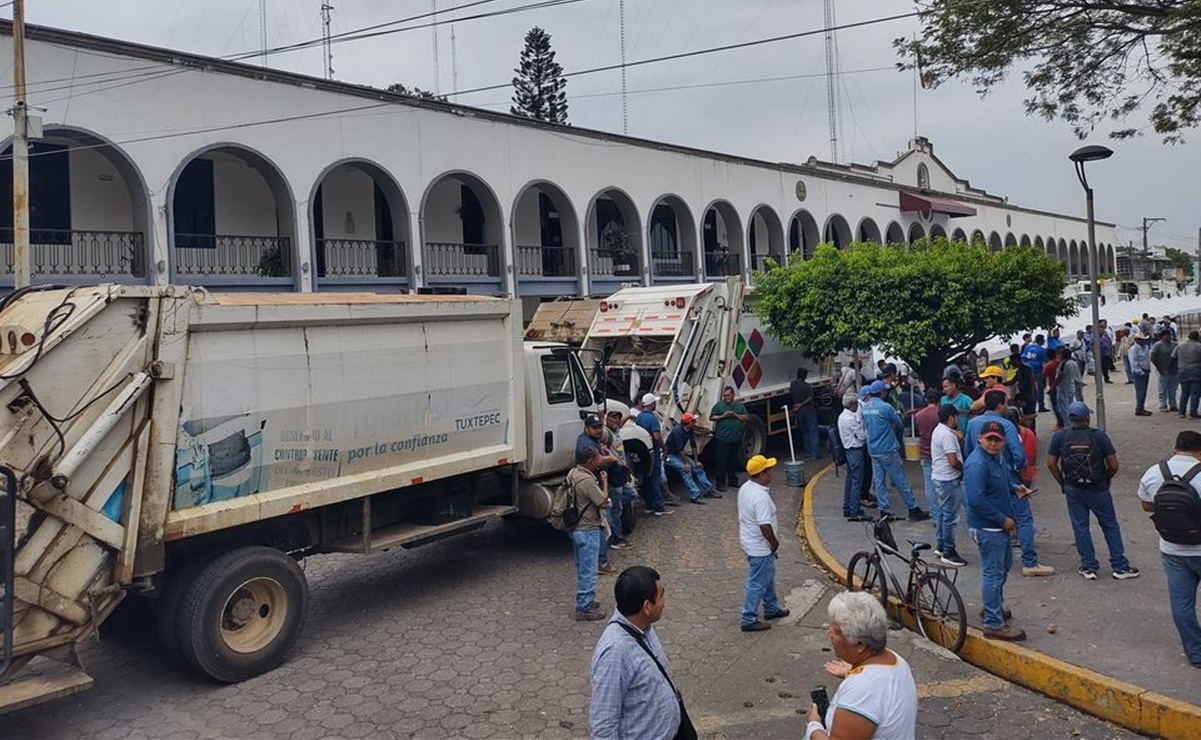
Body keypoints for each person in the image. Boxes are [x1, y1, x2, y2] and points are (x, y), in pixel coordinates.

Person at [964, 390, 1055, 577]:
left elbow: (966, 449)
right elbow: (1019, 456)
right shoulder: (1005, 425)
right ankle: (1030, 561)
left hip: (980, 477)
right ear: (999, 406)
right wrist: (1016, 472)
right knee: (1023, 518)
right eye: (1005, 403)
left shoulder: (973, 424)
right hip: (1004, 475)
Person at [803, 592, 918, 740]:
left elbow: (869, 693)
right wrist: (852, 672)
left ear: (859, 644)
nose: (829, 633)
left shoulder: (862, 691)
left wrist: (813, 726)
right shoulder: (897, 661)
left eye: (837, 631)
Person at [590, 565, 687, 739]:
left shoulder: (643, 626)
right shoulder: (615, 652)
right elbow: (603, 727)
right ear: (647, 607)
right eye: (662, 594)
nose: (665, 600)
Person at [1046, 402, 1139, 581]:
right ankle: (1119, 566)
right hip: (1098, 488)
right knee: (1110, 525)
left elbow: (1050, 463)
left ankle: (1088, 566)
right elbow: (1113, 465)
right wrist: (1107, 479)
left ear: (1069, 418)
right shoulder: (1099, 436)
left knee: (1080, 526)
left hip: (1073, 487)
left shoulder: (1060, 436)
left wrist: (1063, 483)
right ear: (1087, 418)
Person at [1136, 431, 1201, 669]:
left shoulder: (1155, 472)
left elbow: (1146, 505)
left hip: (1172, 549)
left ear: (1175, 447)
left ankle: (1196, 652)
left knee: (1182, 603)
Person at [964, 420, 1032, 641]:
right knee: (993, 574)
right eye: (989, 439)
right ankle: (993, 623)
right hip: (988, 528)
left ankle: (993, 606)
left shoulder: (996, 459)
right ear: (980, 439)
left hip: (997, 526)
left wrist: (1015, 489)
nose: (993, 443)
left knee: (1003, 568)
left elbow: (998, 484)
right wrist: (1002, 519)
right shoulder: (977, 464)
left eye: (997, 440)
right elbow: (975, 499)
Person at [860, 382, 929, 523]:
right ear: (882, 393)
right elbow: (899, 424)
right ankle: (913, 509)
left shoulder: (865, 408)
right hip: (888, 449)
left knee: (879, 482)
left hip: (873, 450)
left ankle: (884, 511)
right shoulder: (886, 407)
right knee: (900, 480)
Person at [739, 455, 790, 632]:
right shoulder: (759, 497)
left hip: (751, 542)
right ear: (761, 475)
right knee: (757, 581)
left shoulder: (746, 488)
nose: (771, 473)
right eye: (768, 470)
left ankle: (771, 607)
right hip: (760, 546)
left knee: (766, 576)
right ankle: (748, 618)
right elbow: (765, 526)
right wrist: (774, 544)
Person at [568, 447, 610, 621]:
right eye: (596, 458)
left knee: (581, 567)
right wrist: (605, 482)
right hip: (588, 529)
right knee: (589, 570)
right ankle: (584, 607)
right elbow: (602, 502)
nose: (598, 460)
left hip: (575, 528)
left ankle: (586, 599)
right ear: (590, 461)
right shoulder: (587, 480)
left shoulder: (572, 473)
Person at [930, 404, 967, 566]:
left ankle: (941, 544)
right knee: (951, 517)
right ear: (951, 417)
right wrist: (963, 468)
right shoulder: (947, 435)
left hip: (940, 477)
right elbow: (953, 461)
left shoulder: (939, 431)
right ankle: (949, 551)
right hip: (949, 479)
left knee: (943, 514)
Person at [664, 413, 717, 504]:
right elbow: (680, 449)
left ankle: (709, 490)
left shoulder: (690, 430)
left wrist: (697, 461)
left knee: (697, 468)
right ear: (688, 423)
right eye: (693, 421)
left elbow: (693, 445)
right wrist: (686, 464)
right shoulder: (678, 432)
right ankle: (694, 495)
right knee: (686, 470)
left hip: (678, 454)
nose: (695, 422)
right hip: (670, 456)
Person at [604, 411, 638, 550]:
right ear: (607, 419)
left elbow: (619, 424)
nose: (616, 420)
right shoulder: (606, 433)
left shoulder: (616, 431)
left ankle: (609, 509)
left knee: (632, 495)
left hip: (621, 475)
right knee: (616, 510)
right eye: (613, 418)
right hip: (614, 476)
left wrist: (627, 418)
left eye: (618, 418)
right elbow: (603, 447)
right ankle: (618, 538)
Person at [839, 391, 873, 522]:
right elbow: (862, 436)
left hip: (849, 451)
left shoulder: (842, 416)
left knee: (850, 480)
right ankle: (854, 510)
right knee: (856, 481)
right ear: (852, 404)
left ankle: (847, 507)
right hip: (855, 450)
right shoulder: (850, 419)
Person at [635, 394, 670, 516]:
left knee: (646, 479)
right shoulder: (652, 418)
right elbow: (657, 436)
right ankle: (658, 506)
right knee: (655, 477)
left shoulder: (639, 417)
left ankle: (648, 505)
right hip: (652, 451)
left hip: (642, 452)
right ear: (651, 404)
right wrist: (664, 448)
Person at [709, 386, 748, 492]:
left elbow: (746, 417)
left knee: (733, 460)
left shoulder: (739, 406)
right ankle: (720, 483)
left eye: (728, 395)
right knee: (721, 461)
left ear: (733, 395)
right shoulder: (719, 406)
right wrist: (723, 416)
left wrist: (735, 414)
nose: (726, 397)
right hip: (722, 438)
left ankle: (732, 480)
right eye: (724, 395)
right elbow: (712, 417)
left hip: (736, 438)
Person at [915, 387, 943, 530]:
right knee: (943, 485)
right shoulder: (941, 414)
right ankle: (944, 515)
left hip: (925, 453)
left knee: (929, 486)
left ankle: (935, 515)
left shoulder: (919, 415)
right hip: (941, 453)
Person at [790, 367, 821, 460]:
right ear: (804, 376)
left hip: (798, 411)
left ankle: (807, 451)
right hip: (808, 409)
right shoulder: (807, 386)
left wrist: (797, 406)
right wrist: (802, 404)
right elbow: (811, 397)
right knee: (812, 430)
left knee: (805, 430)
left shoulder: (793, 384)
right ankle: (815, 453)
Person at [1174, 330, 1201, 419]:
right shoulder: (1199, 346)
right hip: (1195, 370)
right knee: (1195, 393)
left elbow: (1173, 357)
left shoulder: (1180, 346)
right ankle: (1193, 412)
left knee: (1184, 392)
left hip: (1182, 370)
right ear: (1197, 337)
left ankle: (1182, 412)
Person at [1152, 329, 1180, 413]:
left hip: (1174, 370)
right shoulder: (1157, 345)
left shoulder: (1175, 345)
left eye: (1169, 335)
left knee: (1173, 389)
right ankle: (1162, 405)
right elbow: (1153, 357)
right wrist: (1161, 369)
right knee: (1162, 389)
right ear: (1161, 337)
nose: (1168, 337)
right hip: (1163, 370)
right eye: (1166, 335)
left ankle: (1173, 405)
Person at [1128, 331, 1154, 416]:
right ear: (1137, 340)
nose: (1143, 341)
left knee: (1144, 391)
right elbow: (1134, 364)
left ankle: (1141, 407)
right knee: (1140, 391)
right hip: (1139, 372)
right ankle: (1139, 408)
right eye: (1141, 339)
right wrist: (1141, 372)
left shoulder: (1145, 347)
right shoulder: (1133, 349)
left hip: (1146, 370)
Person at [1021, 335, 1049, 412]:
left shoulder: (1028, 347)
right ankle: (1041, 405)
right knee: (1040, 388)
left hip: (1028, 369)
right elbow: (1045, 362)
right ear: (1040, 341)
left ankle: (1029, 404)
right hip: (1037, 371)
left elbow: (1023, 357)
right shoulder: (1042, 350)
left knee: (1029, 388)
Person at [1044, 349, 1064, 430]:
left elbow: (1044, 376)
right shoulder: (1059, 363)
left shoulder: (1048, 366)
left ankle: (1060, 423)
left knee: (1055, 406)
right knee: (1062, 404)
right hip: (1061, 386)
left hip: (1052, 385)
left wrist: (1047, 388)